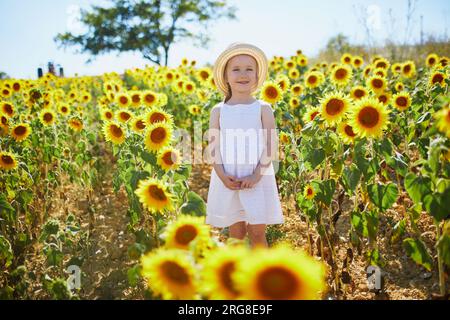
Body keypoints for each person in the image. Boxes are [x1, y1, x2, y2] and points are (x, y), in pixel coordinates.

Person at [205, 42, 284, 248]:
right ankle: (237, 276)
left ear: (257, 77)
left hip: (257, 176)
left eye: (249, 69)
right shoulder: (219, 110)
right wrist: (222, 176)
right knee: (236, 233)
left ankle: (262, 276)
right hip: (229, 176)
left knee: (257, 232)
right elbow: (213, 148)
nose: (243, 74)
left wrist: (256, 174)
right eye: (236, 69)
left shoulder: (263, 108)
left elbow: (270, 145)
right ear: (226, 77)